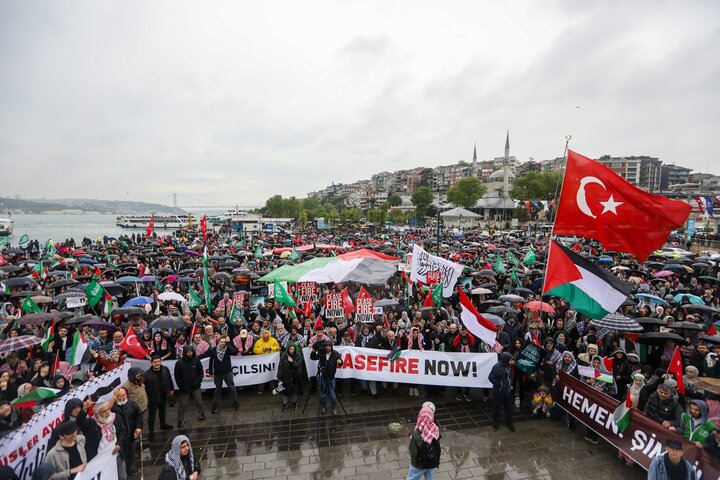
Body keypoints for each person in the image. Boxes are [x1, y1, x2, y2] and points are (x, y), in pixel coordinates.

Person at [112, 387, 143, 477]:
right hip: (119, 437)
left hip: (131, 434)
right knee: (122, 455)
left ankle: (132, 469)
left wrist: (138, 427)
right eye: (120, 396)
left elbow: (138, 416)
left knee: (131, 452)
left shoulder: (132, 404)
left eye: (124, 395)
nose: (123, 397)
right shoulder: (113, 407)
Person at [407, 402, 441, 480]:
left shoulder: (416, 434)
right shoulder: (435, 431)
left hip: (418, 464)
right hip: (432, 463)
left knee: (412, 478)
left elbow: (412, 451)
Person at [205, 335, 239, 413]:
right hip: (217, 373)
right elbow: (211, 361)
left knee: (231, 387)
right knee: (218, 389)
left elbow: (234, 351)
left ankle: (236, 402)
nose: (222, 343)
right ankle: (215, 405)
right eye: (221, 342)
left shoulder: (228, 349)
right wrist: (210, 371)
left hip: (227, 372)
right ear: (218, 342)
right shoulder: (214, 349)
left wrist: (228, 343)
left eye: (224, 342)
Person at [144, 354, 174, 441]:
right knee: (152, 415)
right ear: (151, 363)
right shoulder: (146, 374)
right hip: (153, 397)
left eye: (158, 361)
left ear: (161, 361)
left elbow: (169, 379)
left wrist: (171, 389)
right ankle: (151, 432)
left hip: (164, 395)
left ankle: (163, 424)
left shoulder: (165, 369)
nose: (157, 363)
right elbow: (143, 387)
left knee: (163, 411)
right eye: (155, 362)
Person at [174, 346, 206, 428]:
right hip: (184, 388)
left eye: (191, 352)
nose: (190, 353)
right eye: (188, 352)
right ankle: (180, 420)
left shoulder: (196, 360)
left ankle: (201, 414)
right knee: (182, 405)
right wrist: (181, 386)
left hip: (195, 386)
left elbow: (200, 372)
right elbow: (177, 376)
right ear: (185, 352)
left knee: (199, 402)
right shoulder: (179, 363)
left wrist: (198, 382)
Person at [309, 341, 343, 415]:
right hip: (323, 377)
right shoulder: (321, 353)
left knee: (332, 395)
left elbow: (340, 362)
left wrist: (340, 362)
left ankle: (334, 408)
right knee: (322, 394)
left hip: (331, 377)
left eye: (329, 346)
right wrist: (314, 350)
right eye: (326, 346)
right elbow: (312, 357)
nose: (328, 348)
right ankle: (323, 407)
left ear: (331, 346)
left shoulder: (335, 354)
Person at [488, 352, 515, 431]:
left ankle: (509, 422)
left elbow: (509, 377)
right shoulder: (497, 367)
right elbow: (490, 377)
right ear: (506, 360)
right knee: (497, 407)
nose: (511, 361)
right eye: (510, 360)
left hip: (507, 391)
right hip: (499, 392)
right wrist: (500, 384)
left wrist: (510, 384)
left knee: (509, 407)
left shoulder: (508, 366)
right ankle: (495, 422)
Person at [277, 343, 302, 412]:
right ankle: (285, 403)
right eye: (290, 349)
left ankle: (294, 402)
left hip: (294, 377)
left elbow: (298, 365)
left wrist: (292, 362)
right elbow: (280, 367)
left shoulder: (298, 355)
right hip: (285, 376)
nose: (292, 350)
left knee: (294, 391)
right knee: (284, 391)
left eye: (293, 349)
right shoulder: (284, 356)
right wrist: (279, 377)